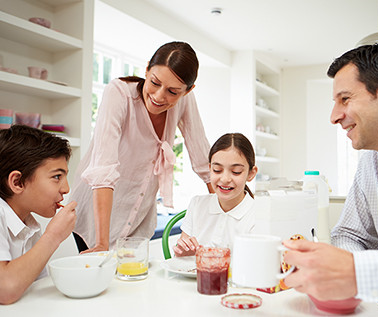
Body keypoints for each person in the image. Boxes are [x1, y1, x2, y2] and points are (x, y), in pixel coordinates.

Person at [283, 44, 378, 308]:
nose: (334, 117)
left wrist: (359, 273)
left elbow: (357, 268)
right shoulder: (371, 163)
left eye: (345, 99)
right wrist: (348, 275)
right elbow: (350, 234)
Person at [70, 41, 212, 254]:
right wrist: (101, 243)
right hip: (94, 217)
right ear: (146, 69)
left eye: (173, 92)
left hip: (138, 215)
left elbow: (204, 161)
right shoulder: (119, 94)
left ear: (188, 91)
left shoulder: (185, 101)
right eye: (154, 82)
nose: (159, 96)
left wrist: (229, 210)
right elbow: (103, 168)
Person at [0, 125, 77, 305]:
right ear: (17, 182)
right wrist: (53, 237)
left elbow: (37, 285)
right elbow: (5, 289)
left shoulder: (30, 224)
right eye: (57, 177)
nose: (66, 189)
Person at [173, 133, 258, 256]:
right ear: (210, 168)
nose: (224, 179)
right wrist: (185, 254)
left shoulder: (258, 215)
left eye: (236, 172)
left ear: (251, 173)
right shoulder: (197, 204)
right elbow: (183, 258)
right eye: (217, 170)